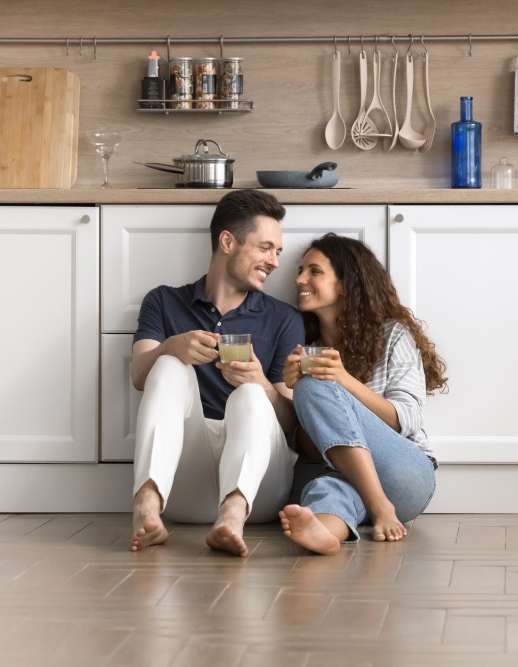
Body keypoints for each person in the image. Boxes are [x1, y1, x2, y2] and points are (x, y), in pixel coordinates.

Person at [129, 189, 304, 557]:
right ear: (227, 241)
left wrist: (260, 382)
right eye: (265, 248)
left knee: (251, 395)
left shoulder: (284, 318)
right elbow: (139, 377)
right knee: (167, 365)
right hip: (179, 489)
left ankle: (231, 516)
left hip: (257, 492)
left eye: (278, 252)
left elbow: (290, 425)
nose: (274, 262)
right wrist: (171, 347)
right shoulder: (163, 301)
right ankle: (145, 507)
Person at [279, 233, 447, 555]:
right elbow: (311, 448)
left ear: (346, 283)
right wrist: (292, 394)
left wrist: (341, 380)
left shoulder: (392, 335)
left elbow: (406, 420)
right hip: (345, 476)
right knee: (328, 487)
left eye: (314, 271)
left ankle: (380, 506)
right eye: (300, 270)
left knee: (314, 384)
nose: (299, 279)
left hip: (404, 474)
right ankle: (324, 531)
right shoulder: (304, 350)